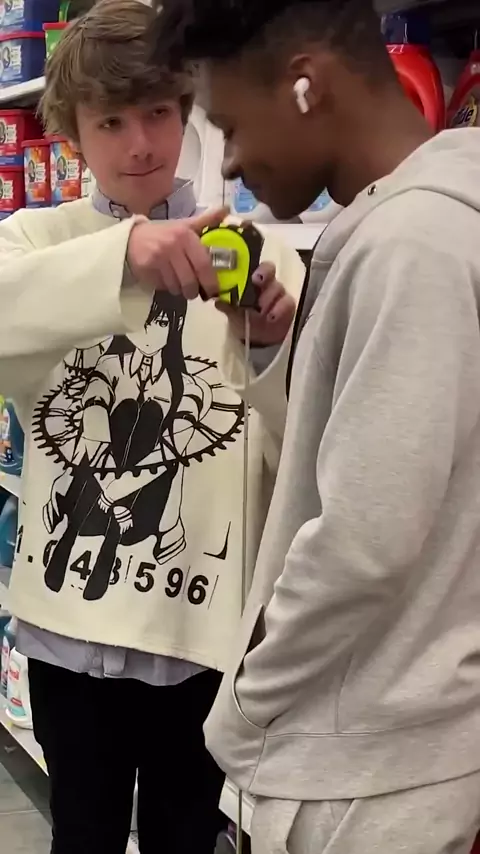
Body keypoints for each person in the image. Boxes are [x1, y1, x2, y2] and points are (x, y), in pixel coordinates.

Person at [152, 1, 480, 853]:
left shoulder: (409, 243)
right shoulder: (418, 225)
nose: (230, 160)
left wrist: (246, 700)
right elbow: (375, 461)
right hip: (386, 736)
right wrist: (274, 349)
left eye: (229, 125)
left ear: (306, 85)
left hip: (357, 771)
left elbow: (364, 538)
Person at [0, 1, 300, 852]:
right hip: (70, 629)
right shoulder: (34, 240)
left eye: (159, 112)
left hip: (198, 630)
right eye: (111, 122)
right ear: (72, 134)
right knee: (82, 833)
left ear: (186, 108)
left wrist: (270, 345)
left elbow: (296, 448)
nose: (140, 144)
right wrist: (122, 256)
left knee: (184, 835)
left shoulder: (257, 255)